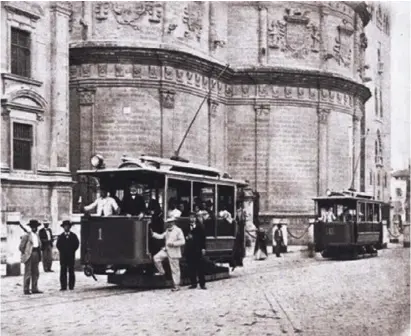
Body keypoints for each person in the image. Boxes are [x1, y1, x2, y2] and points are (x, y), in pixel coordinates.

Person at [151, 217, 185, 291]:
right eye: (168, 222)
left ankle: (176, 285)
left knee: (175, 269)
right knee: (156, 258)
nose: (169, 224)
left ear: (174, 222)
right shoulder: (167, 230)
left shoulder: (178, 230)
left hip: (174, 252)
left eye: (170, 222)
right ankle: (162, 272)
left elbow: (182, 241)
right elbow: (161, 236)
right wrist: (153, 234)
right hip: (166, 250)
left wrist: (173, 244)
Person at [19, 219, 43, 295]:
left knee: (36, 272)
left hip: (36, 253)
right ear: (30, 227)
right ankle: (26, 289)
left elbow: (39, 245)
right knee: (28, 272)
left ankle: (34, 288)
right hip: (29, 254)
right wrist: (25, 253)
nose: (34, 228)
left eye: (35, 227)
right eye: (33, 227)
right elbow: (21, 247)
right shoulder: (26, 236)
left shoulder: (37, 235)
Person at [185, 212, 207, 290]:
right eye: (191, 217)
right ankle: (193, 283)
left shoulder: (200, 226)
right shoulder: (187, 227)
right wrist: (187, 238)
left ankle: (202, 284)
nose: (192, 219)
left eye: (193, 217)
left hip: (198, 249)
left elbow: (203, 238)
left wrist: (203, 248)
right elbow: (185, 236)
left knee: (200, 267)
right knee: (191, 267)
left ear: (195, 218)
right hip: (190, 249)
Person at [56, 220, 80, 291]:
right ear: (63, 227)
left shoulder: (73, 236)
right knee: (63, 271)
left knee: (71, 271)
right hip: (63, 257)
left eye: (67, 226)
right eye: (65, 226)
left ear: (70, 227)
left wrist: (72, 251)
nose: (66, 228)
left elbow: (76, 244)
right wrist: (63, 251)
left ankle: (71, 286)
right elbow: (58, 245)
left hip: (71, 256)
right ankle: (63, 286)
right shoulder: (61, 236)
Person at [230, 202, 246, 271]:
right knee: (238, 248)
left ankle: (238, 262)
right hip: (239, 232)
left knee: (238, 248)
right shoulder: (240, 212)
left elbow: (241, 221)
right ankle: (237, 262)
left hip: (239, 232)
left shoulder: (241, 212)